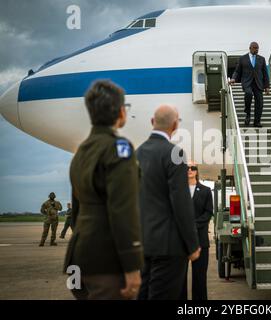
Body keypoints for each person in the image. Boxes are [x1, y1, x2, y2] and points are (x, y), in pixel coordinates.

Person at [64, 80, 144, 300]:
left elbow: (77, 212)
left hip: (80, 255)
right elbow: (123, 211)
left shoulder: (81, 151)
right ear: (120, 112)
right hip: (108, 259)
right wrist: (132, 266)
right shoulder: (119, 149)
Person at [137, 104, 201, 300]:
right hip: (169, 246)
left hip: (143, 244)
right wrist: (192, 245)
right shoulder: (175, 153)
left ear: (151, 122)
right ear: (175, 125)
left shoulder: (135, 154)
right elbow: (181, 203)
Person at [180, 161, 213, 300]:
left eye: (193, 168)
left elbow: (208, 213)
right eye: (186, 168)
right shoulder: (178, 190)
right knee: (180, 280)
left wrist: (192, 224)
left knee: (199, 278)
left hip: (200, 241)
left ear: (197, 171)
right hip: (180, 242)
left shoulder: (205, 191)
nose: (190, 170)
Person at [229, 41, 269, 128]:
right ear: (250, 48)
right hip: (247, 83)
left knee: (260, 103)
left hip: (258, 84)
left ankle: (256, 122)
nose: (256, 50)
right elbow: (237, 71)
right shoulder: (243, 58)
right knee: (248, 94)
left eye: (257, 48)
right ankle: (248, 113)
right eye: (255, 48)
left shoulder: (261, 59)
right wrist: (233, 78)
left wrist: (267, 86)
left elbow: (265, 73)